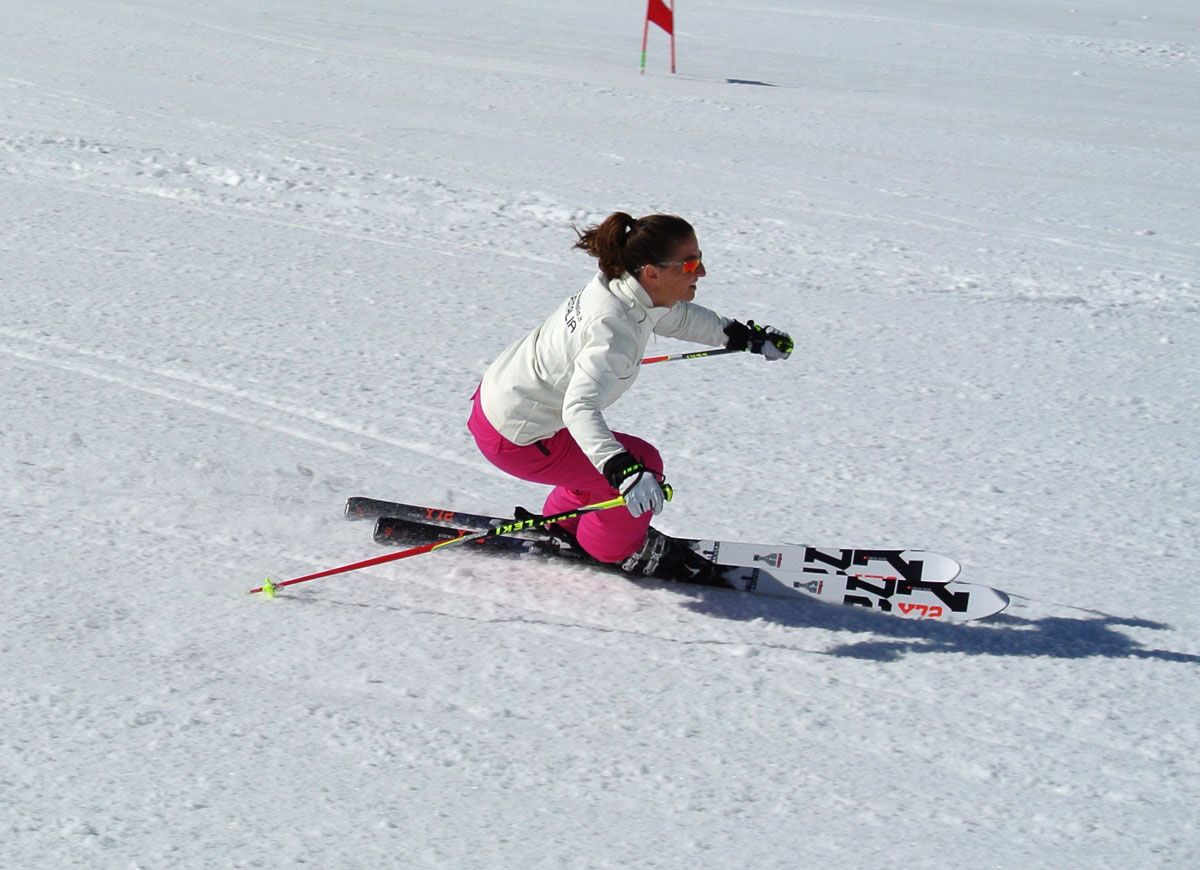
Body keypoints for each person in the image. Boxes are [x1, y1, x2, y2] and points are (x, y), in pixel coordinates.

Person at [468, 211, 793, 579]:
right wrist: (625, 474)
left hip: (501, 406)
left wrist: (740, 335)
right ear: (652, 272)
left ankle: (566, 525)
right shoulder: (613, 328)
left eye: (699, 259)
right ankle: (613, 549)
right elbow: (580, 407)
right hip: (518, 438)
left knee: (616, 464)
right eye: (690, 264)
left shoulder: (625, 291)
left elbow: (677, 318)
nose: (701, 272)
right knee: (643, 464)